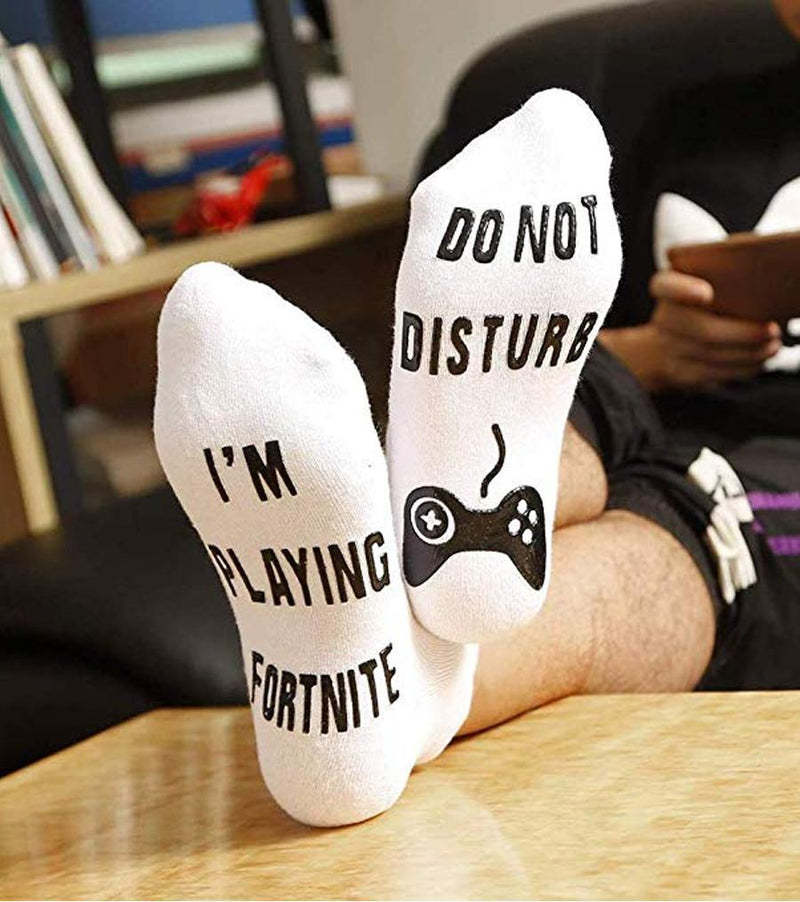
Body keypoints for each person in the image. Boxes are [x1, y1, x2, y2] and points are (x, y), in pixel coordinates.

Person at [154, 84, 799, 829]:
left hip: (782, 447)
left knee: (693, 519)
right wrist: (665, 345)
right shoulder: (696, 114)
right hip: (651, 383)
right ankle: (392, 653)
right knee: (575, 392)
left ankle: (376, 681)